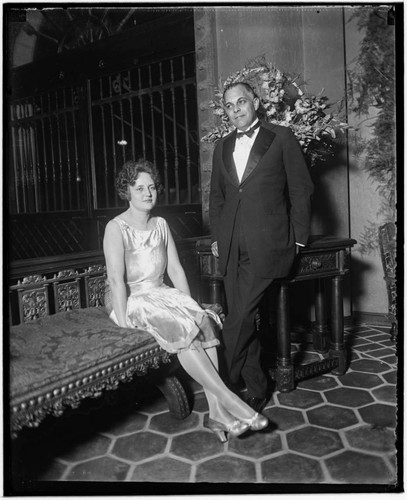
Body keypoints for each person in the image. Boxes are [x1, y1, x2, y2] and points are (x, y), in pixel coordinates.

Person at [103, 158, 269, 443]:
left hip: (160, 293)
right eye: (139, 188)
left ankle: (217, 413)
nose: (148, 193)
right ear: (126, 191)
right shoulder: (115, 228)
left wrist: (191, 307)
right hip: (131, 298)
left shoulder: (161, 224)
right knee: (182, 329)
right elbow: (117, 280)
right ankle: (229, 400)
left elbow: (176, 270)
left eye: (152, 187)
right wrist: (122, 322)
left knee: (203, 320)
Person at [209, 82, 314, 413]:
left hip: (268, 243)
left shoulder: (281, 137)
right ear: (225, 112)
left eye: (241, 101)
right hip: (230, 245)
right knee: (246, 315)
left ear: (255, 101)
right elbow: (217, 197)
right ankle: (257, 387)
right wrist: (217, 236)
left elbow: (301, 189)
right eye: (229, 106)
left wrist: (298, 237)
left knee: (240, 316)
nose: (236, 109)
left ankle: (217, 380)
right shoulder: (221, 146)